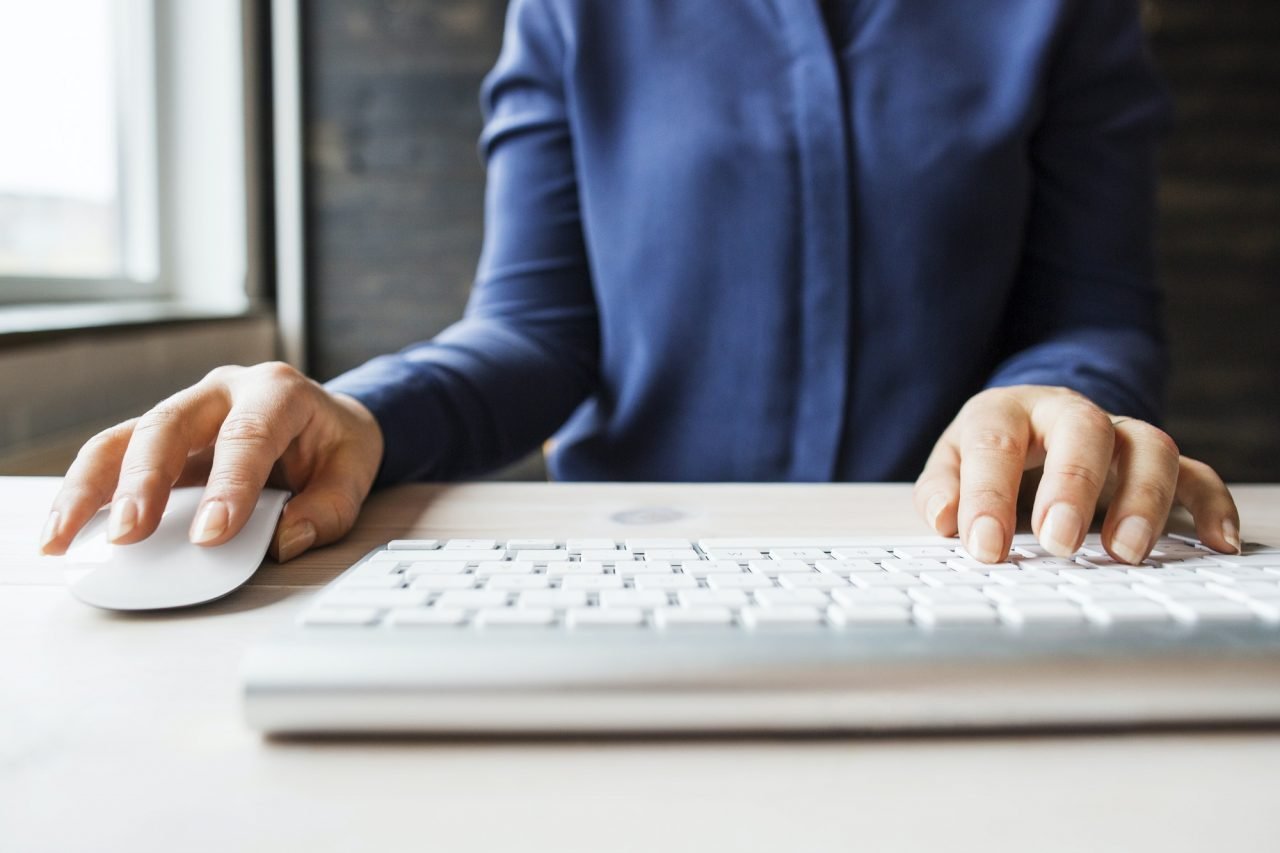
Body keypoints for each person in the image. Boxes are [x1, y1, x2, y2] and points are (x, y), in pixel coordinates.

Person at [40, 0, 1241, 566]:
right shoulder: (572, 12)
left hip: (971, 563)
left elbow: (1095, 310)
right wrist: (360, 412)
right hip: (629, 562)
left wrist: (1045, 397)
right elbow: (534, 331)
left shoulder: (1064, 15)